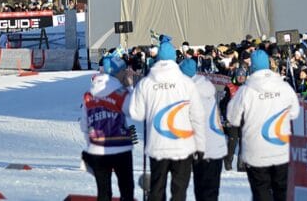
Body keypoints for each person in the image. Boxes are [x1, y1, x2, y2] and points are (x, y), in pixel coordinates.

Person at [127, 37, 205, 201]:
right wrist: (200, 144)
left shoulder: (146, 83)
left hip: (158, 145)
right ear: (175, 59)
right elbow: (197, 116)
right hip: (183, 145)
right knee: (179, 191)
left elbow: (136, 113)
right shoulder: (186, 83)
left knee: (157, 190)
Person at [227, 49, 300, 201]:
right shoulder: (284, 87)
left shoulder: (245, 91)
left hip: (256, 152)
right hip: (281, 149)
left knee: (261, 192)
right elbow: (295, 113)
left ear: (252, 67)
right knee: (282, 192)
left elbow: (232, 118)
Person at [81, 52, 135, 201]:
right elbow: (134, 111)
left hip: (97, 147)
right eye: (123, 71)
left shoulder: (89, 94)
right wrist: (130, 87)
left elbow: (84, 124)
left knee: (103, 191)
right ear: (116, 73)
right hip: (120, 146)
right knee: (126, 189)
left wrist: (90, 142)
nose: (126, 73)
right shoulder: (119, 92)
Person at [179, 58, 226, 201]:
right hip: (216, 146)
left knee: (203, 192)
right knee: (209, 192)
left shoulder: (190, 93)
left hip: (204, 147)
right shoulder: (204, 86)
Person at [219, 67, 247, 171]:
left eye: (243, 76)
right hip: (232, 119)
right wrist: (225, 117)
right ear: (235, 76)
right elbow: (223, 104)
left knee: (243, 142)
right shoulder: (229, 87)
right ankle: (228, 162)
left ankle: (241, 165)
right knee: (232, 141)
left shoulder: (247, 88)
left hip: (244, 119)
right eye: (239, 76)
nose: (241, 78)